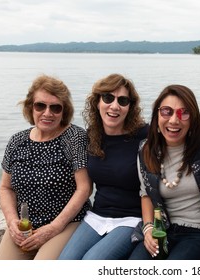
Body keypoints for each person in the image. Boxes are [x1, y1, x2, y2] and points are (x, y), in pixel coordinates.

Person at [0, 75, 92, 260]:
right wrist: (12, 221)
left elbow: (84, 188)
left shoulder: (75, 138)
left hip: (67, 222)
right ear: (31, 107)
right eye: (40, 106)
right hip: (26, 225)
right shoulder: (17, 141)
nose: (47, 113)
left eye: (55, 108)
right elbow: (6, 188)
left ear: (64, 111)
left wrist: (54, 227)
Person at [129, 84, 200, 260]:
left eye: (184, 113)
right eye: (167, 111)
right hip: (164, 229)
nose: (174, 120)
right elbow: (145, 194)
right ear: (157, 115)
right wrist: (149, 228)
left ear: (192, 119)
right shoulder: (146, 149)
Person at [58, 73, 148, 260]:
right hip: (97, 216)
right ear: (97, 102)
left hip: (131, 219)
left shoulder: (143, 134)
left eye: (122, 101)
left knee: (92, 262)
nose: (114, 106)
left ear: (129, 107)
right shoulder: (93, 135)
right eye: (108, 98)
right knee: (64, 262)